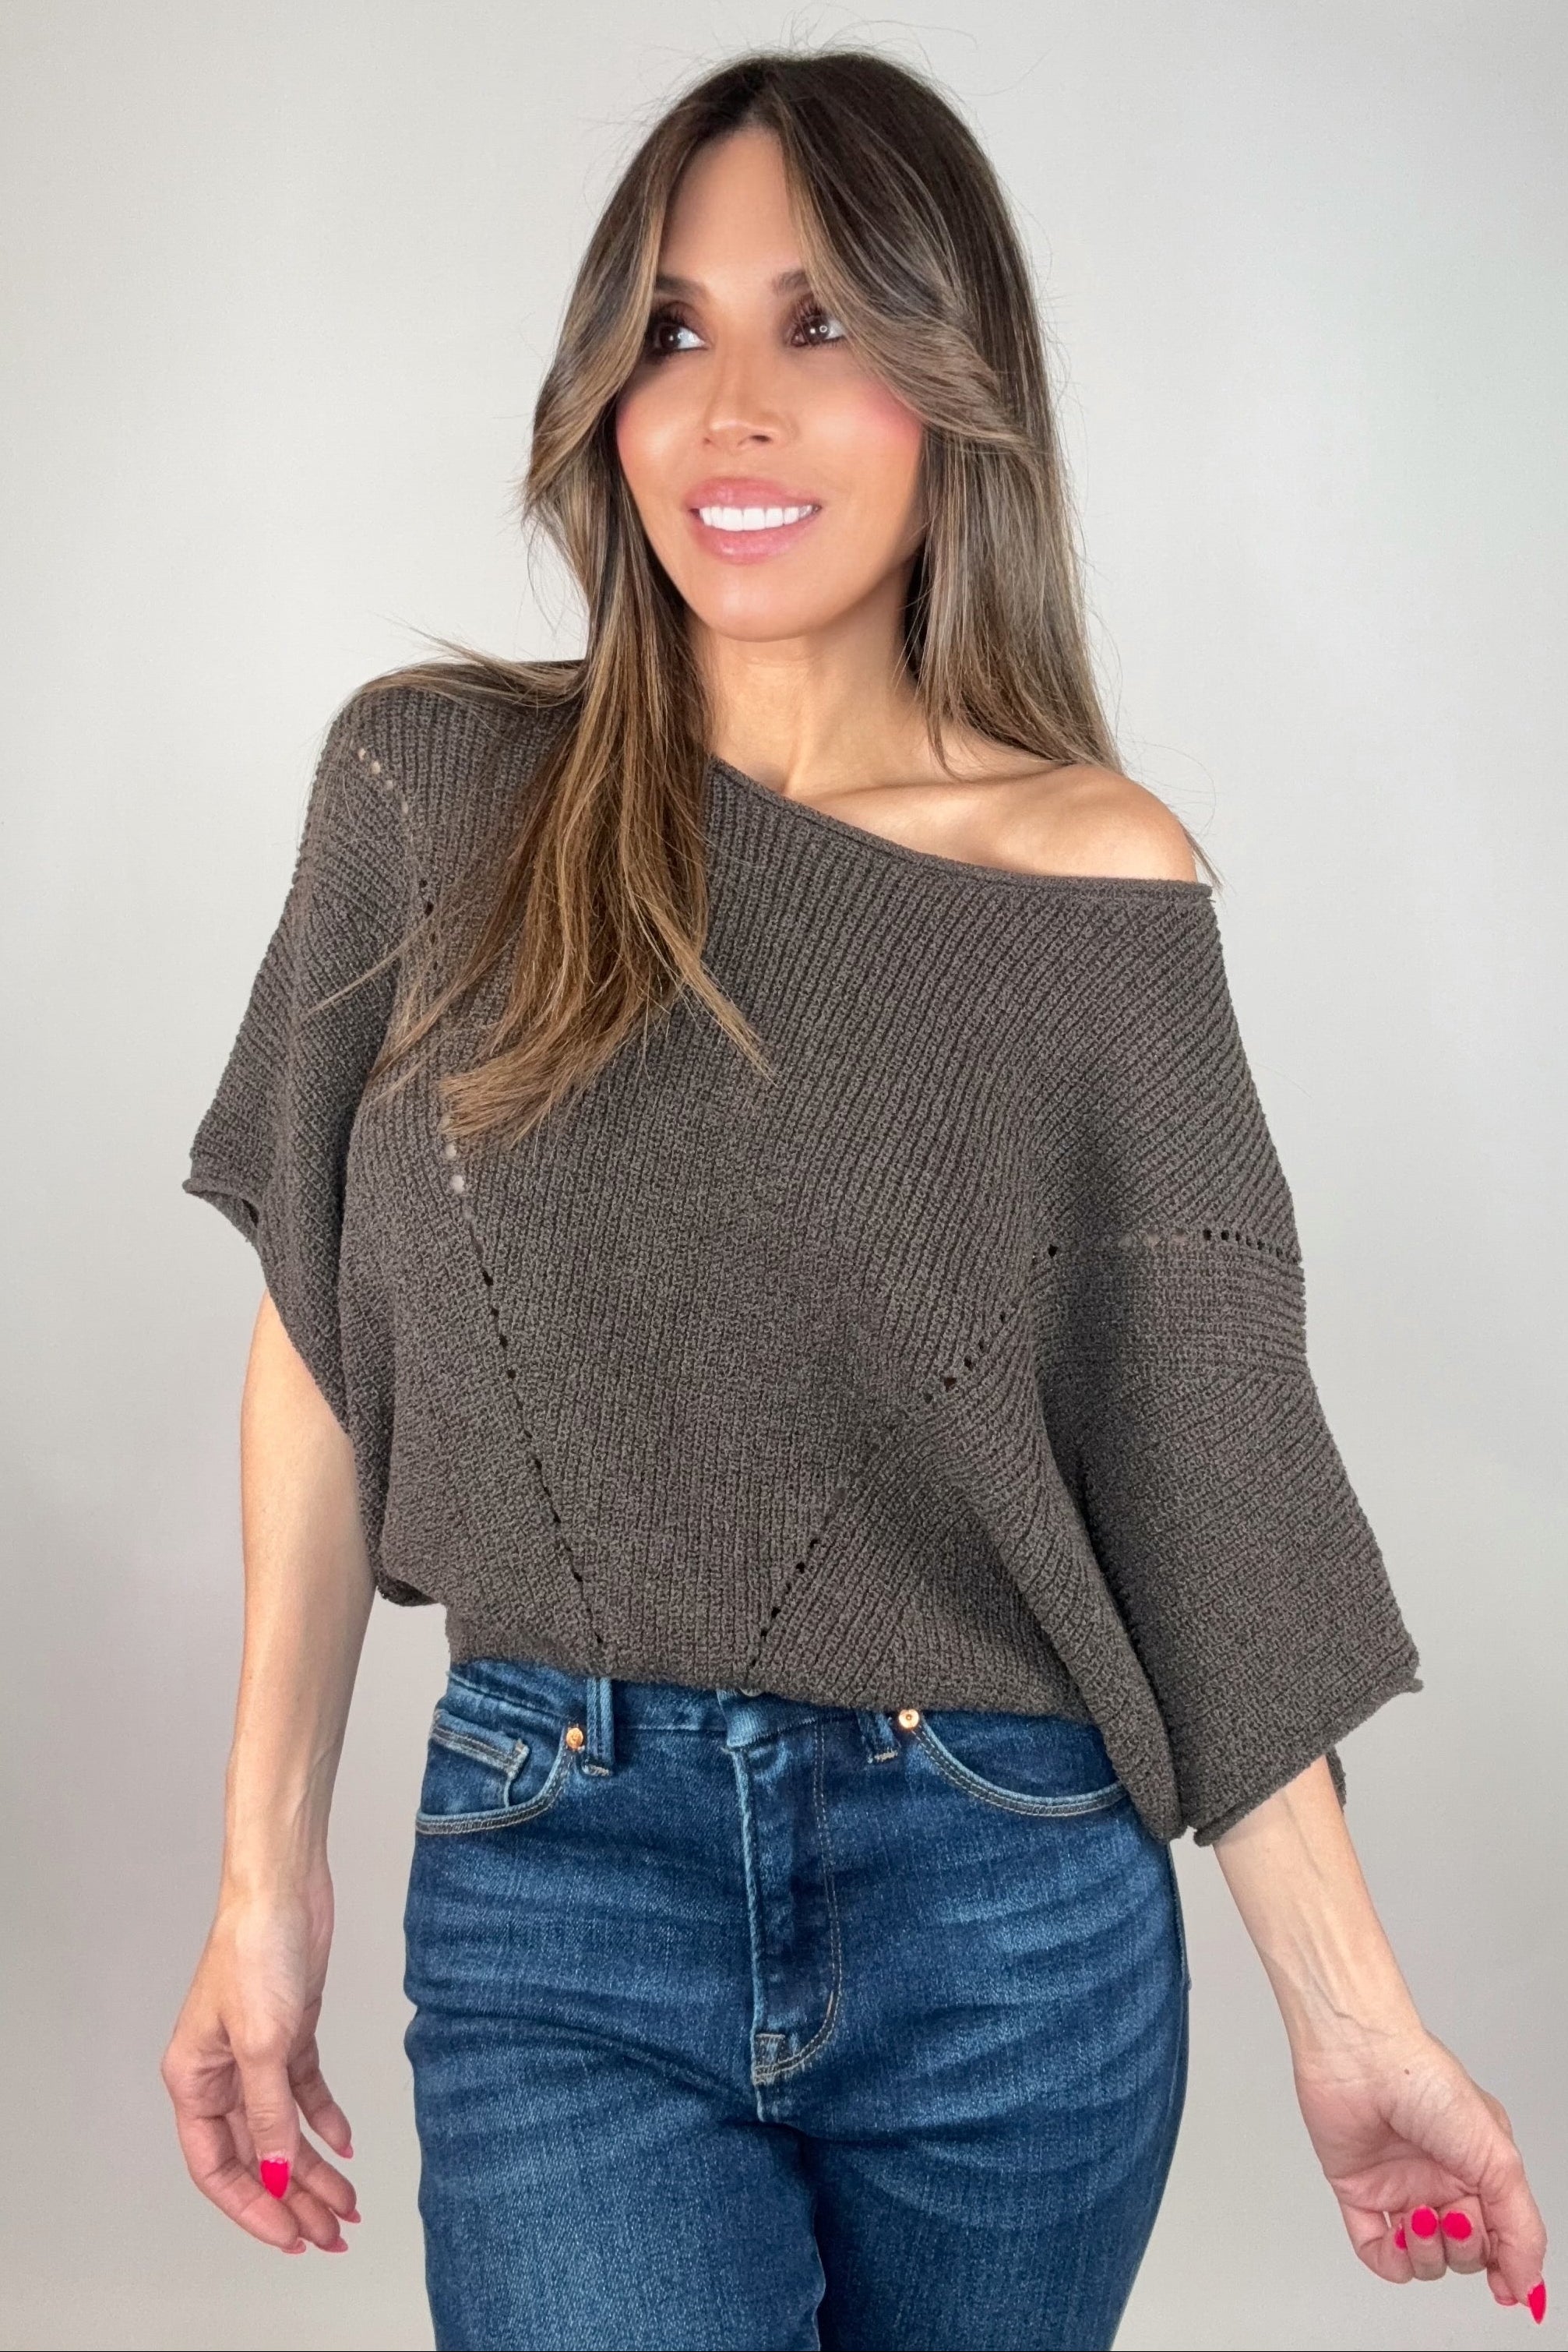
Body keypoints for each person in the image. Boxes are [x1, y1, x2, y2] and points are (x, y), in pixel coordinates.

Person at [160, 46, 1548, 2352]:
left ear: (953, 380)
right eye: (672, 331)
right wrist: (259, 1878)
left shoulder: (1096, 879)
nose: (733, 408)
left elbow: (1204, 1473)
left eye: (820, 325)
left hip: (1005, 1905)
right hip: (559, 1879)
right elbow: (322, 1336)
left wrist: (1354, 2015)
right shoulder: (433, 792)